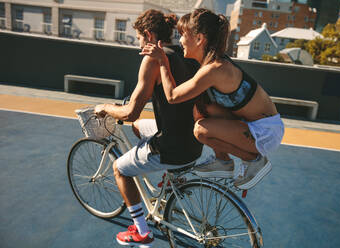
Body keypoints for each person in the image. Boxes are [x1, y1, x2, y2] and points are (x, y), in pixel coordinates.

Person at [140, 8, 284, 190]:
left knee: (201, 130)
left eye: (183, 35)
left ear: (199, 39)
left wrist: (162, 61)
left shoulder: (214, 69)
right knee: (200, 108)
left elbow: (173, 96)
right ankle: (223, 161)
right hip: (253, 124)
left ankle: (254, 160)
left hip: (266, 132)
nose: (180, 40)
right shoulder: (209, 64)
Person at [94, 9, 203, 247]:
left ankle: (142, 232)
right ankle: (162, 177)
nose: (139, 43)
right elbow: (137, 118)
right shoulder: (188, 56)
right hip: (194, 144)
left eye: (139, 38)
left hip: (172, 148)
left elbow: (131, 110)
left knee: (120, 169)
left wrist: (105, 107)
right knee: (138, 127)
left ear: (148, 34)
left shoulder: (152, 60)